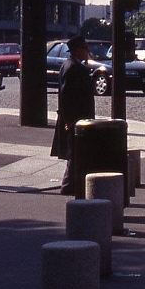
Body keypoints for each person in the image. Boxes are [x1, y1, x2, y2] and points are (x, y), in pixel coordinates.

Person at [52, 35, 96, 194]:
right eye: (85, 48)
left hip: (76, 117)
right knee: (75, 152)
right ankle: (69, 185)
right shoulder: (74, 68)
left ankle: (72, 184)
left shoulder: (70, 65)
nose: (87, 51)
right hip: (76, 118)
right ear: (78, 50)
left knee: (76, 152)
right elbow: (67, 96)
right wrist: (70, 119)